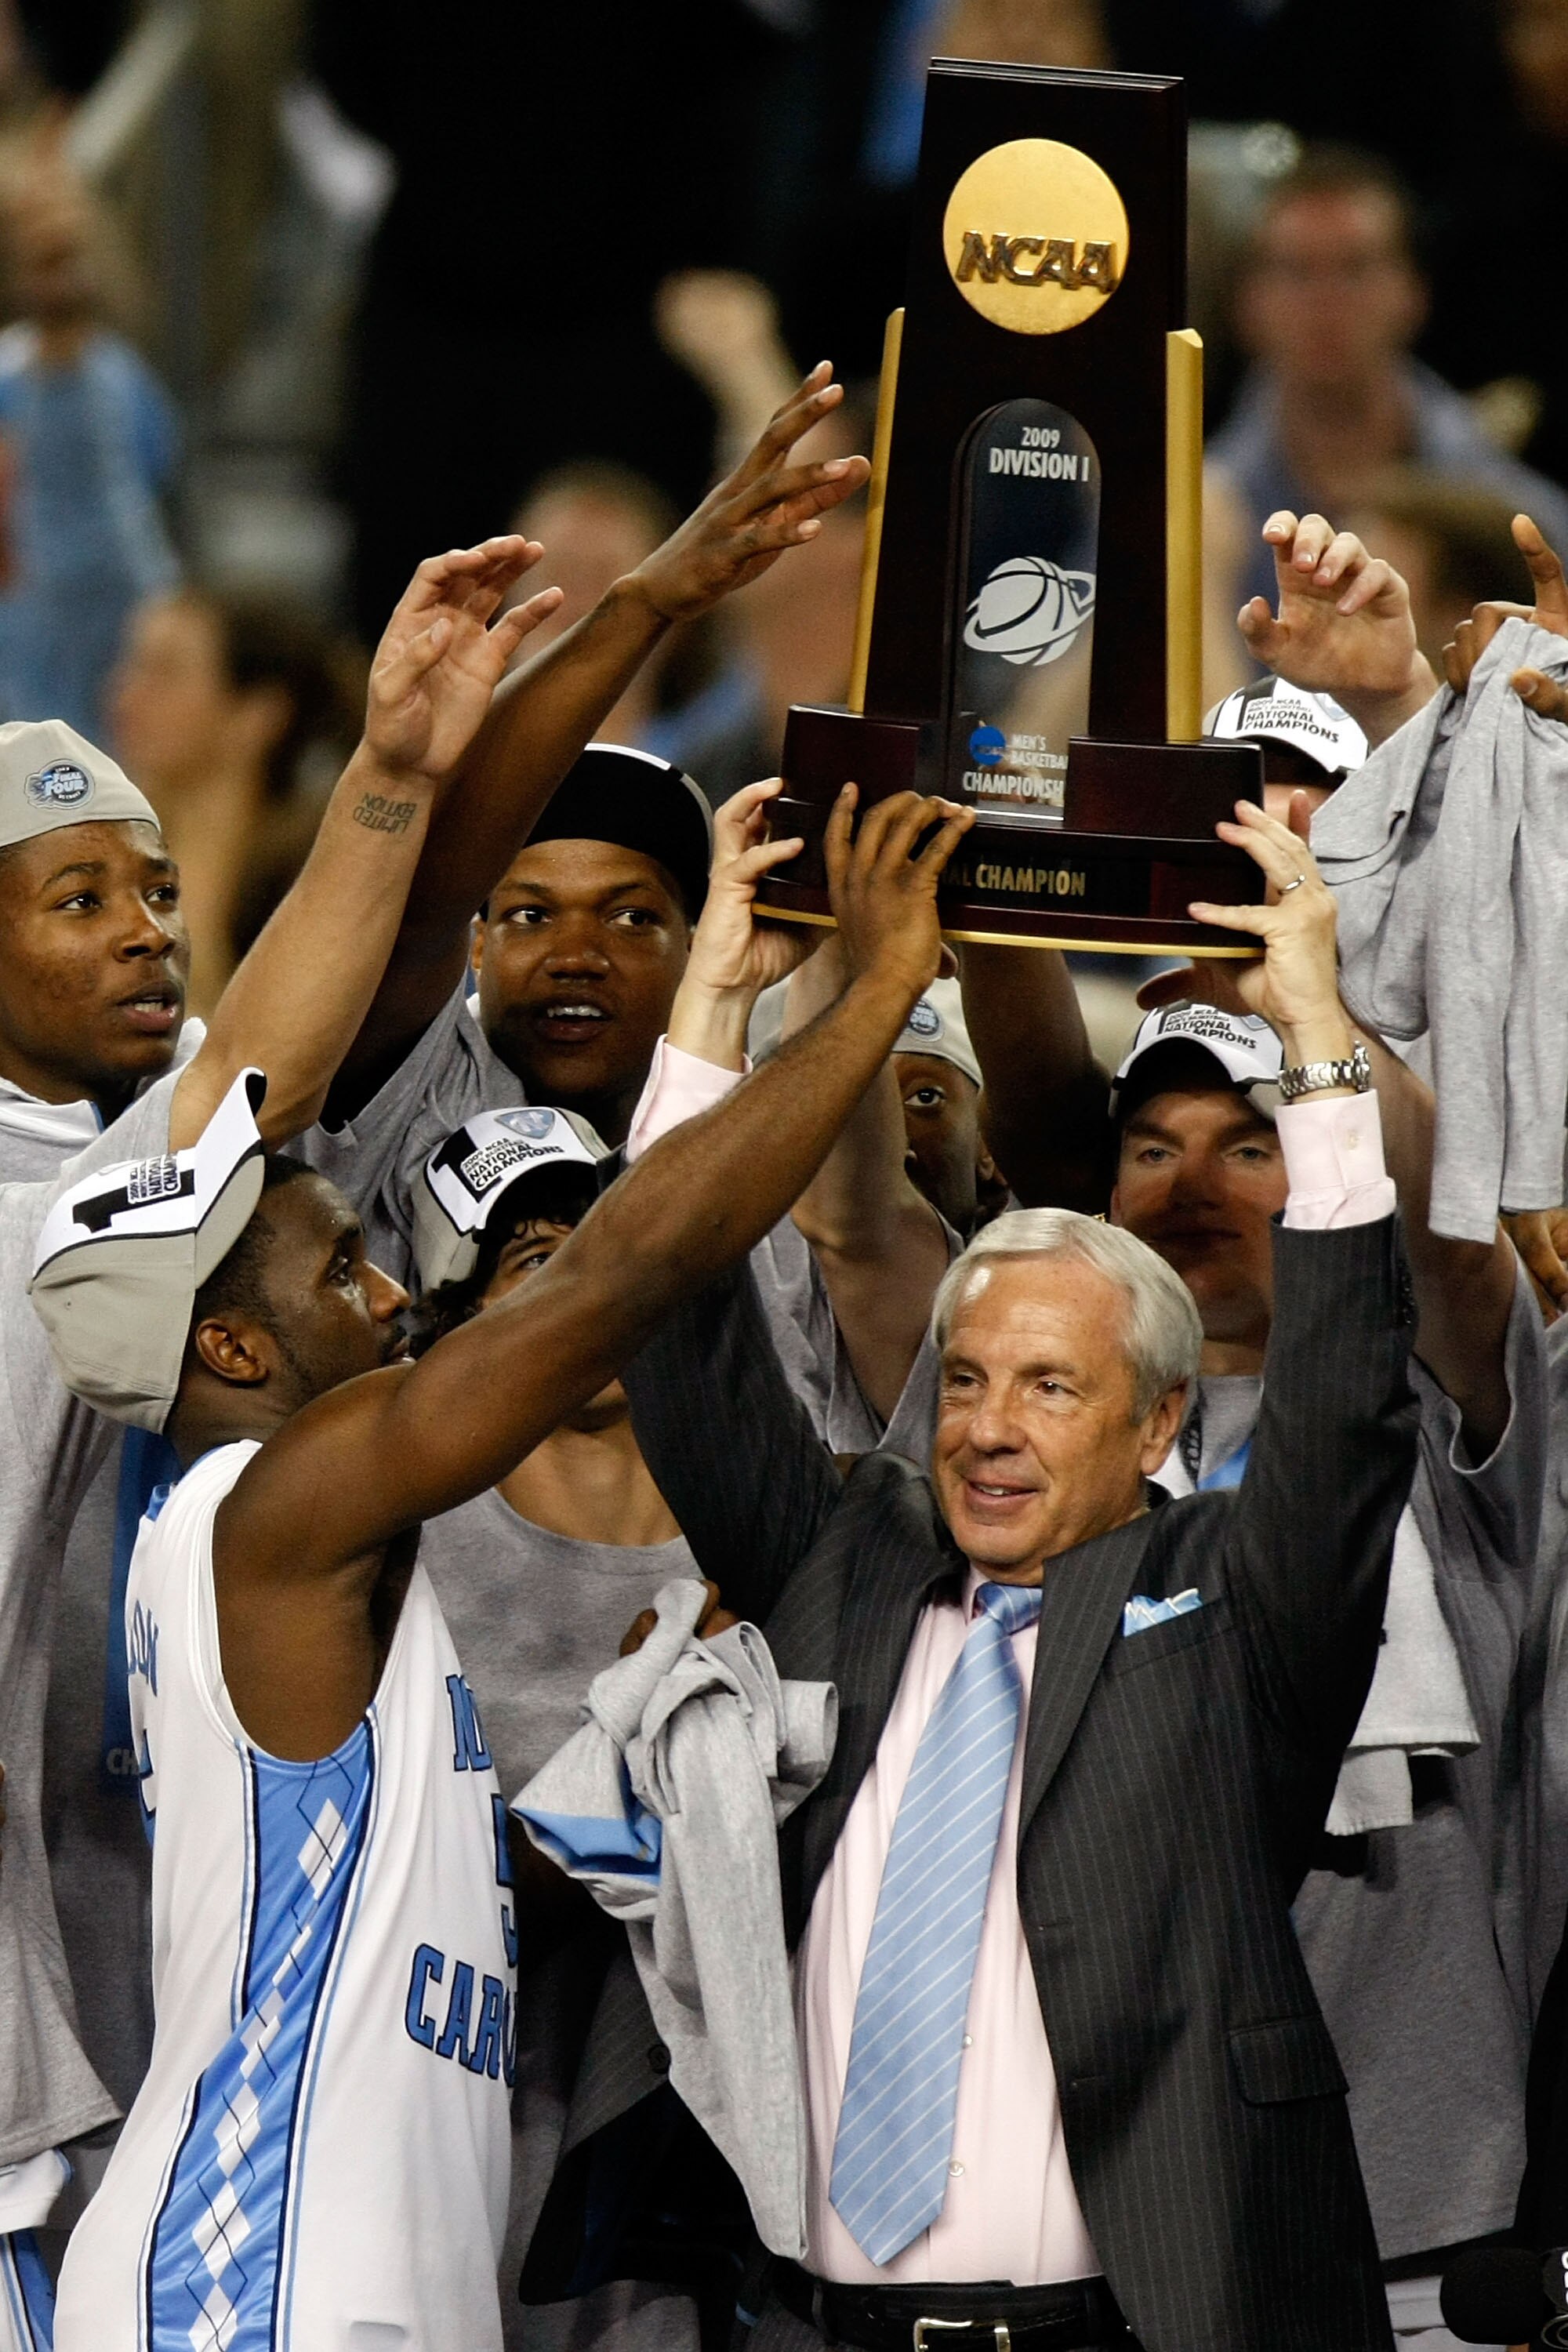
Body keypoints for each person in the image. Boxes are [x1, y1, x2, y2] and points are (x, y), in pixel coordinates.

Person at [35, 785, 975, 2352]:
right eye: (344, 1265)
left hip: (344, 2270)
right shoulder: (277, 1502)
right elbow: (619, 1277)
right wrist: (870, 987)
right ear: (232, 1345)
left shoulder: (260, 1531)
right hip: (257, 2272)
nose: (396, 1293)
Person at [588, 792, 1417, 2351]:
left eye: (1049, 1386)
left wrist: (1311, 1025)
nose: (984, 1429)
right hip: (819, 2326)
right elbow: (675, 1345)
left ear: (1160, 1418)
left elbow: (1345, 1412)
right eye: (965, 1381)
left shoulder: (1229, 1606)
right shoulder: (857, 1568)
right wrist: (711, 1010)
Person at [973, 514, 1548, 2350]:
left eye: (1249, 1137)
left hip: (1406, 2217)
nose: (1197, 1180)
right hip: (1095, 2216)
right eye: (1159, 1137)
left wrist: (1308, 1002)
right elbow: (1015, 1088)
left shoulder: (1431, 1380)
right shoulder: (1018, 1419)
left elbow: (1438, 1204)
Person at [0, 528, 561, 2343]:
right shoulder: (84, 1196)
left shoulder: (89, 1193)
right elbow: (261, 1067)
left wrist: (402, 772)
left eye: (149, 889)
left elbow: (269, 1063)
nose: (141, 929)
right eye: (77, 898)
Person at [1208, 145, 1568, 615]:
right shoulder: (1192, 517)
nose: (1327, 300)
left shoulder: (1525, 524)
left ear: (1413, 293)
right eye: (1297, 270)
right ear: (1246, 304)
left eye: (1356, 268)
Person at [107, 586, 363, 1014]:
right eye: (132, 664)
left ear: (257, 715)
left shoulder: (304, 879)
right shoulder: (90, 852)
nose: (124, 692)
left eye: (165, 672)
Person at [0, 146, 180, 735]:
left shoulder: (122, 380)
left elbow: (157, 470)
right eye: (43, 258)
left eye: (70, 255)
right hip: (29, 636)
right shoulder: (7, 382)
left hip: (122, 615)